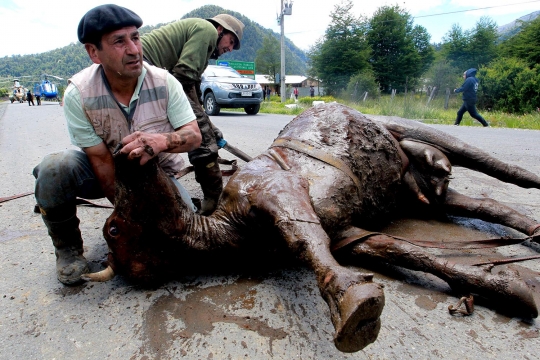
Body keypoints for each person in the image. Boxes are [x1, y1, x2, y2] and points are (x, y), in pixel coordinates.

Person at [32, 4, 201, 286]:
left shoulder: (164, 82)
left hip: (158, 177)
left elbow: (194, 136)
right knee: (54, 168)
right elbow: (99, 160)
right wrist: (129, 219)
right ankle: (68, 250)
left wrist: (162, 141)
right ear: (93, 52)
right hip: (106, 172)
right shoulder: (79, 94)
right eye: (119, 42)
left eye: (135, 37)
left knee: (188, 238)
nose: (134, 49)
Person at [141, 14, 245, 215]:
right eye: (231, 41)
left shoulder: (200, 38)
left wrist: (209, 122)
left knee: (201, 126)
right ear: (220, 30)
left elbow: (192, 90)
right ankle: (214, 204)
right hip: (144, 71)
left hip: (147, 74)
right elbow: (183, 79)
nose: (230, 48)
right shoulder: (207, 30)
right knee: (203, 138)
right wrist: (206, 127)